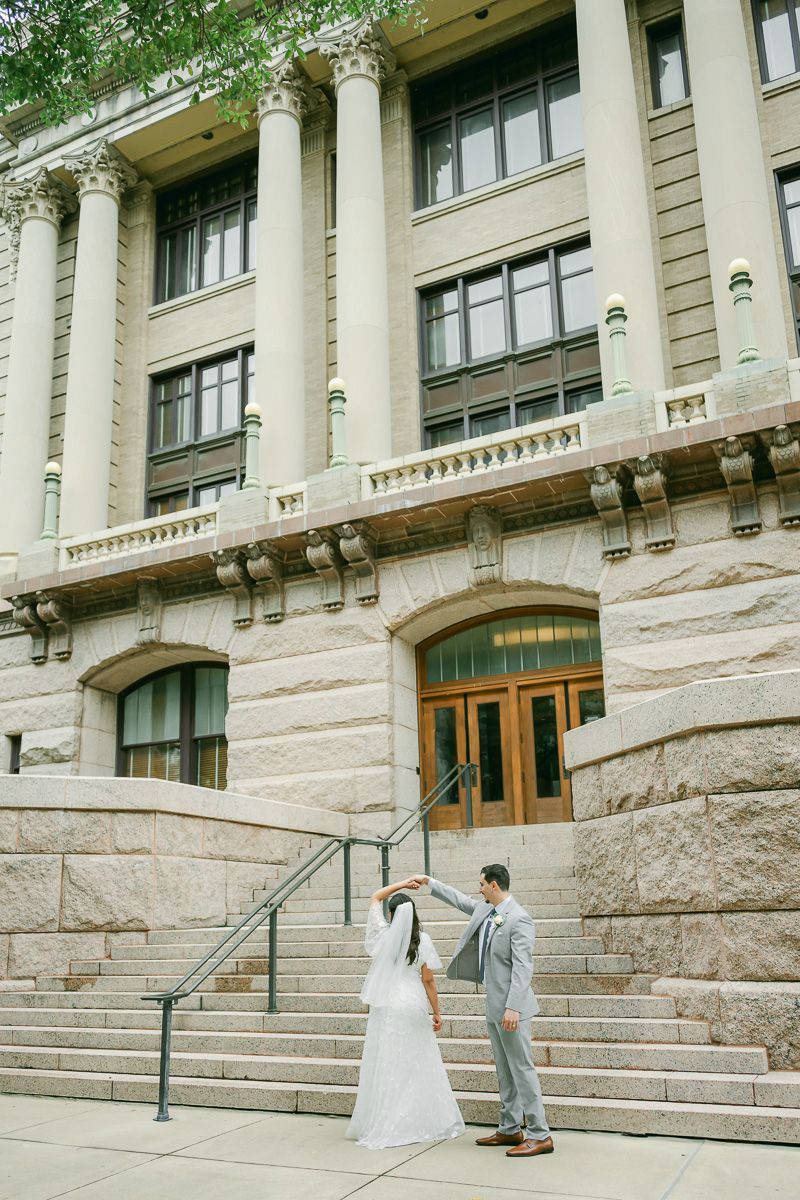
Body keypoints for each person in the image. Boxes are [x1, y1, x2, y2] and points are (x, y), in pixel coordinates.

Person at [412, 864, 554, 1159]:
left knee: (522, 1069)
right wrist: (429, 882)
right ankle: (510, 1127)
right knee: (504, 1070)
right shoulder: (485, 910)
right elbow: (459, 900)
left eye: (481, 885)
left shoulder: (519, 919)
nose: (478, 889)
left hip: (513, 1008)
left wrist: (513, 1006)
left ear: (493, 885)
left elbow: (523, 968)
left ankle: (540, 1134)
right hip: (493, 1004)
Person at [346, 875, 466, 1150]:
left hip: (388, 1005)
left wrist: (402, 883)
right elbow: (429, 981)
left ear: (392, 915)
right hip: (412, 1003)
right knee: (418, 1062)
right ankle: (423, 1119)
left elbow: (375, 896)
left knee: (388, 1063)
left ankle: (387, 1120)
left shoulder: (384, 936)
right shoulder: (423, 939)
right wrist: (437, 1013)